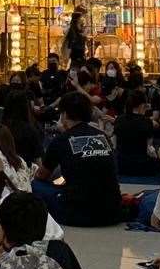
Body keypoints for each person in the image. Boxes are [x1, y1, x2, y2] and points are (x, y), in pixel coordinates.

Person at [34, 92, 122, 226]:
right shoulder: (102, 136)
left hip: (76, 214)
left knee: (36, 186)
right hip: (112, 212)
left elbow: (42, 175)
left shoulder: (60, 141)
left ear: (64, 115)